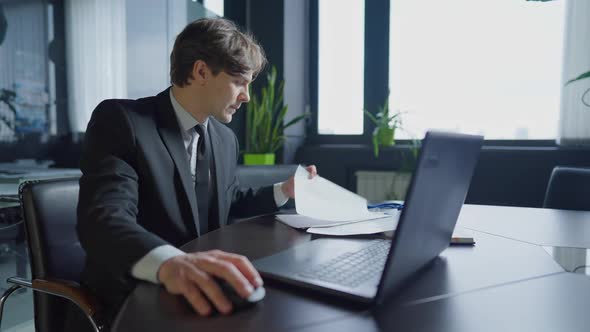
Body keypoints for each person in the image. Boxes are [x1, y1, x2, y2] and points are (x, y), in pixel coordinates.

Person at [68, 17, 316, 331]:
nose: (247, 97)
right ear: (200, 72)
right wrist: (171, 263)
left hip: (201, 288)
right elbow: (104, 219)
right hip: (134, 294)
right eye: (240, 81)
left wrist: (285, 189)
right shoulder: (123, 121)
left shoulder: (224, 140)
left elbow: (229, 200)